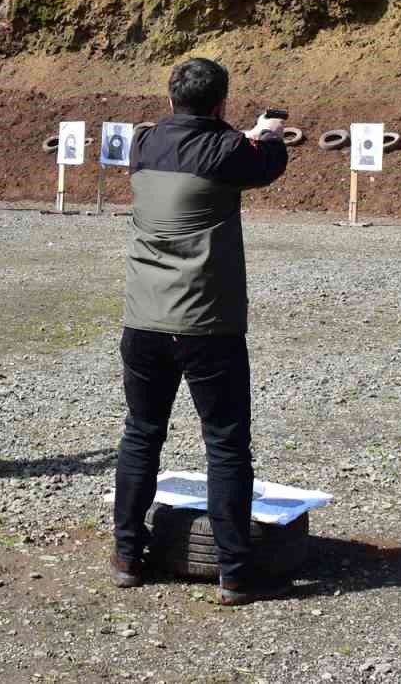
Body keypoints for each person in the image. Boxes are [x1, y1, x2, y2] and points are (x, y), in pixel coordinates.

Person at [110, 58, 290, 606]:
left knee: (142, 433)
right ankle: (234, 570)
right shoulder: (229, 150)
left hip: (142, 320)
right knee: (226, 443)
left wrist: (242, 135)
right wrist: (270, 135)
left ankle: (126, 555)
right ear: (222, 104)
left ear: (169, 101)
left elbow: (201, 143)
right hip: (207, 325)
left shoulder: (142, 144)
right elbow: (265, 165)